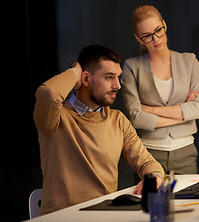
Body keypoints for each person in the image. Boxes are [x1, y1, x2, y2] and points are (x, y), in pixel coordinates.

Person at [33, 45, 164, 215]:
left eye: (118, 77)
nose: (117, 85)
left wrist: (153, 177)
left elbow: (148, 162)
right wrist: (75, 72)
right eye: (109, 77)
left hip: (104, 214)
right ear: (86, 79)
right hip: (61, 217)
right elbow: (48, 94)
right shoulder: (55, 117)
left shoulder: (117, 120)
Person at [121, 5, 199, 174]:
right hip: (147, 154)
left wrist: (150, 109)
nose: (155, 39)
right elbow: (136, 118)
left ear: (164, 25)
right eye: (147, 36)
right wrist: (183, 116)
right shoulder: (132, 66)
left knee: (187, 200)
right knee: (149, 201)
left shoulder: (189, 61)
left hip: (185, 151)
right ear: (139, 38)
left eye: (158, 30)